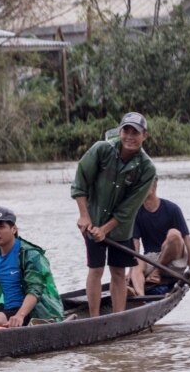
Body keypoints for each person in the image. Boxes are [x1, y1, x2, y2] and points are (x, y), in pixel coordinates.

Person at [71, 112, 157, 317]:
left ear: (144, 136)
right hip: (93, 221)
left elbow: (129, 208)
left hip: (121, 229)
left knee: (118, 272)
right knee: (96, 269)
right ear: (120, 132)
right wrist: (85, 217)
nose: (130, 136)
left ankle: (118, 318)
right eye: (126, 131)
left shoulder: (147, 168)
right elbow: (80, 181)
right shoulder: (101, 150)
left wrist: (106, 229)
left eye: (135, 132)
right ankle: (94, 319)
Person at [128, 179, 190, 296]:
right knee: (136, 262)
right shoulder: (137, 212)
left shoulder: (172, 209)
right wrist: (130, 271)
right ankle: (140, 296)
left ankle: (157, 271)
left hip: (174, 261)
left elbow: (187, 239)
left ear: (153, 188)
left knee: (174, 234)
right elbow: (135, 243)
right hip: (151, 259)